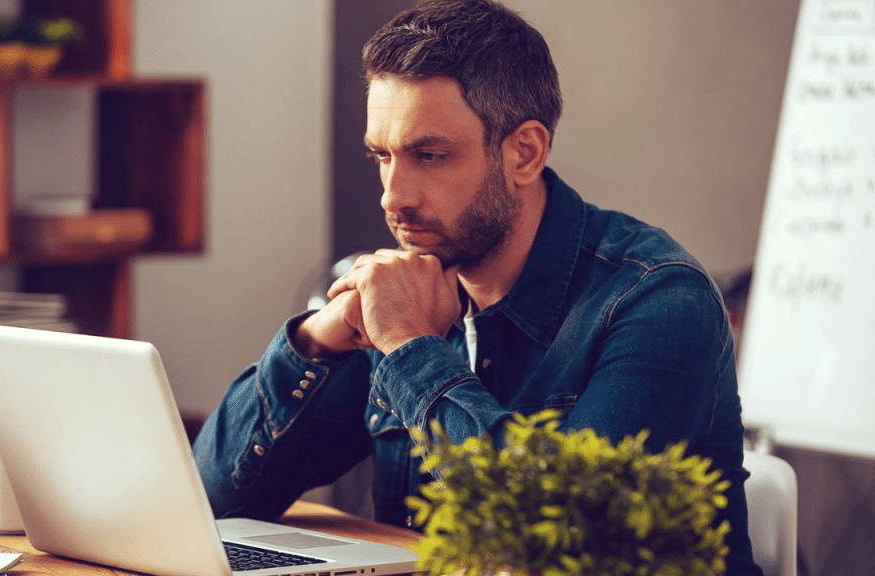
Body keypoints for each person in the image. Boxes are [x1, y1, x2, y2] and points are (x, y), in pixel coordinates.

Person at [193, 1, 761, 573]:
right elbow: (214, 500)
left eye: (430, 155)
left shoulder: (659, 303)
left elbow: (558, 546)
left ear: (524, 152)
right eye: (382, 156)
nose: (393, 196)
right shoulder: (410, 291)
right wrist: (316, 341)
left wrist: (414, 351)